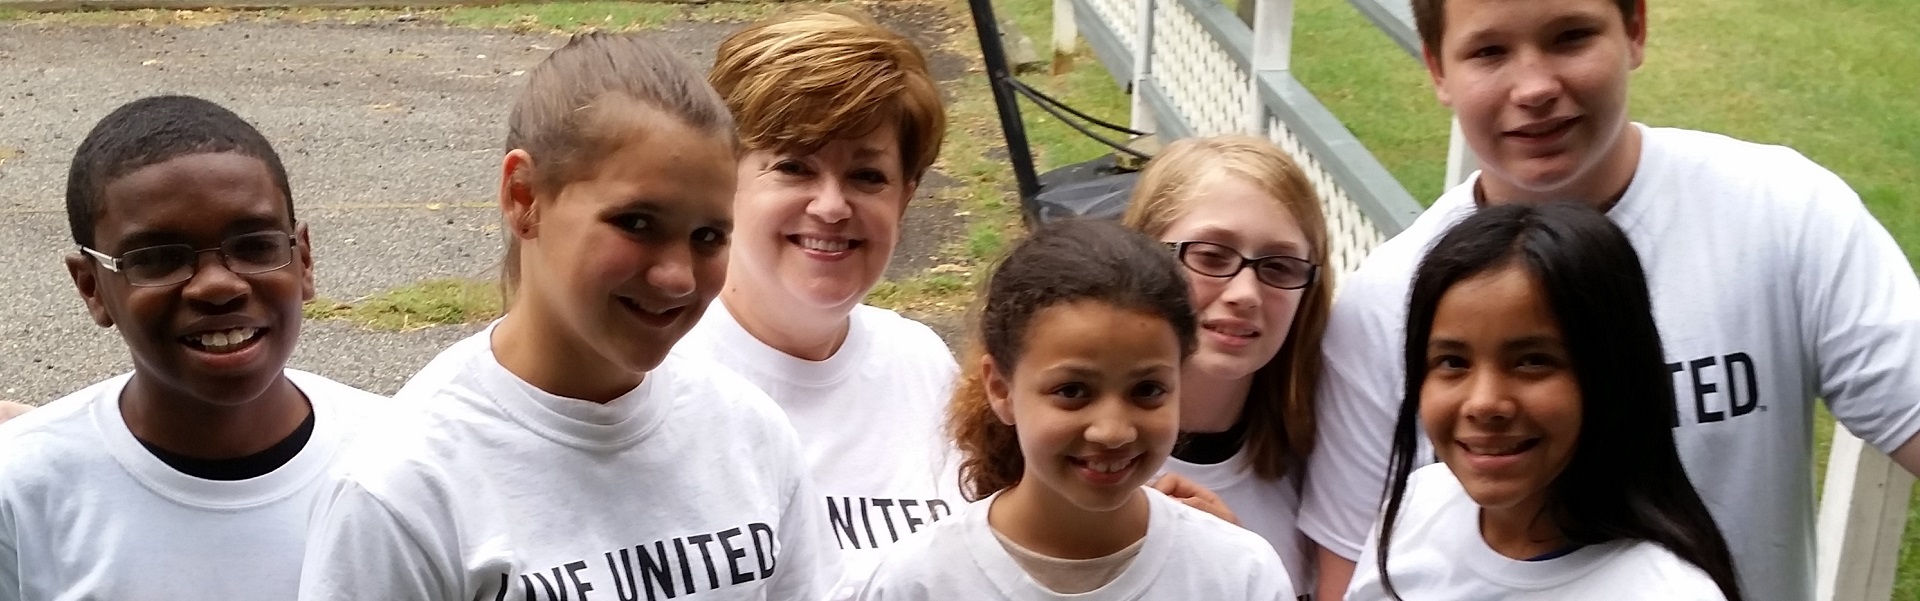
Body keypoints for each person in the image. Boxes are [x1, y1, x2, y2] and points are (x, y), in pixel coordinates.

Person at [1300, 0, 1920, 598]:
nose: (1535, 86)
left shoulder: (1784, 214)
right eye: (1489, 50)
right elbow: (1352, 566)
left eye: (1570, 36)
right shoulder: (1388, 299)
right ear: (1438, 68)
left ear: (1635, 28)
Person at [297, 33, 835, 600]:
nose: (677, 276)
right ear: (524, 197)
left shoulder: (750, 435)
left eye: (708, 236)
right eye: (636, 223)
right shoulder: (407, 488)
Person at [0, 95, 383, 600]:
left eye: (255, 246)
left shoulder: (401, 461)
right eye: (158, 258)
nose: (217, 286)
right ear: (92, 288)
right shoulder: (21, 489)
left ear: (303, 260)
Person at [677, 9, 962, 599]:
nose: (831, 206)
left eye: (867, 176)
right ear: (722, 180)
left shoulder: (923, 366)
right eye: (794, 166)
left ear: (905, 197)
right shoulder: (656, 377)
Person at [860, 218, 1295, 600]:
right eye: (1072, 391)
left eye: (1147, 390)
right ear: (1001, 388)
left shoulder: (1239, 575)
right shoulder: (919, 582)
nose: (1112, 430)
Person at [1345, 202, 1741, 600]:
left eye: (1533, 362)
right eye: (1452, 362)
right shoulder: (1417, 507)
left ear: (1613, 375)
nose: (1483, 403)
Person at [1120, 134, 1330, 595]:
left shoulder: (1329, 453)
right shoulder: (1078, 455)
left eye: (1279, 267)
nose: (1245, 294)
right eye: (1211, 257)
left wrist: (1234, 565)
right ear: (1141, 255)